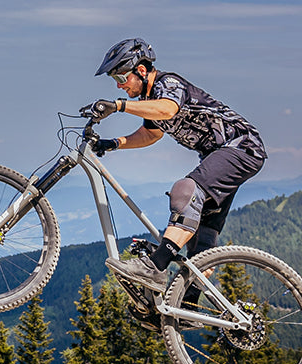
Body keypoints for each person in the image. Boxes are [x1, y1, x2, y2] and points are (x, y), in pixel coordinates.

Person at [85, 38, 266, 296]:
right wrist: (113, 143)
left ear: (141, 70)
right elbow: (150, 134)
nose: (119, 85)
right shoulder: (149, 99)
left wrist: (118, 106)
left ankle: (156, 267)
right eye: (115, 80)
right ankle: (186, 304)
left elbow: (168, 109)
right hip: (220, 155)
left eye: (121, 77)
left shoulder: (168, 84)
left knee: (185, 191)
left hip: (242, 147)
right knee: (200, 241)